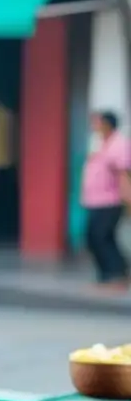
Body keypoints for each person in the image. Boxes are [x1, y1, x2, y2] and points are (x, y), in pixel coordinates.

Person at [81, 110, 130, 289]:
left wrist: (128, 198)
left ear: (107, 124)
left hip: (110, 201)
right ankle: (107, 276)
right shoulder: (100, 143)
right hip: (95, 201)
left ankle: (116, 275)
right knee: (94, 238)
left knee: (101, 237)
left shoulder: (119, 144)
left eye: (97, 123)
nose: (94, 126)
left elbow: (124, 173)